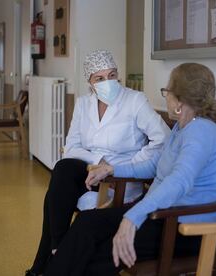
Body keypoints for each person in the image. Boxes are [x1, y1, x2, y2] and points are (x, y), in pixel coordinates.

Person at [43, 63, 216, 275]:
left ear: (180, 99)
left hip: (182, 229)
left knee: (99, 253)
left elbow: (179, 181)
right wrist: (111, 170)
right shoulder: (182, 127)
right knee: (87, 223)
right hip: (161, 217)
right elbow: (155, 166)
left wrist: (133, 217)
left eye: (167, 91)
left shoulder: (201, 132)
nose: (165, 96)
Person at [26, 50, 170, 276]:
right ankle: (59, 249)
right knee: (63, 171)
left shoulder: (135, 101)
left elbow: (163, 140)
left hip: (120, 180)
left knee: (54, 195)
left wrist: (123, 167)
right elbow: (71, 147)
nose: (108, 82)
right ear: (89, 82)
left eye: (112, 75)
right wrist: (99, 162)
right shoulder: (84, 104)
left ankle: (46, 262)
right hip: (90, 172)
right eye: (100, 78)